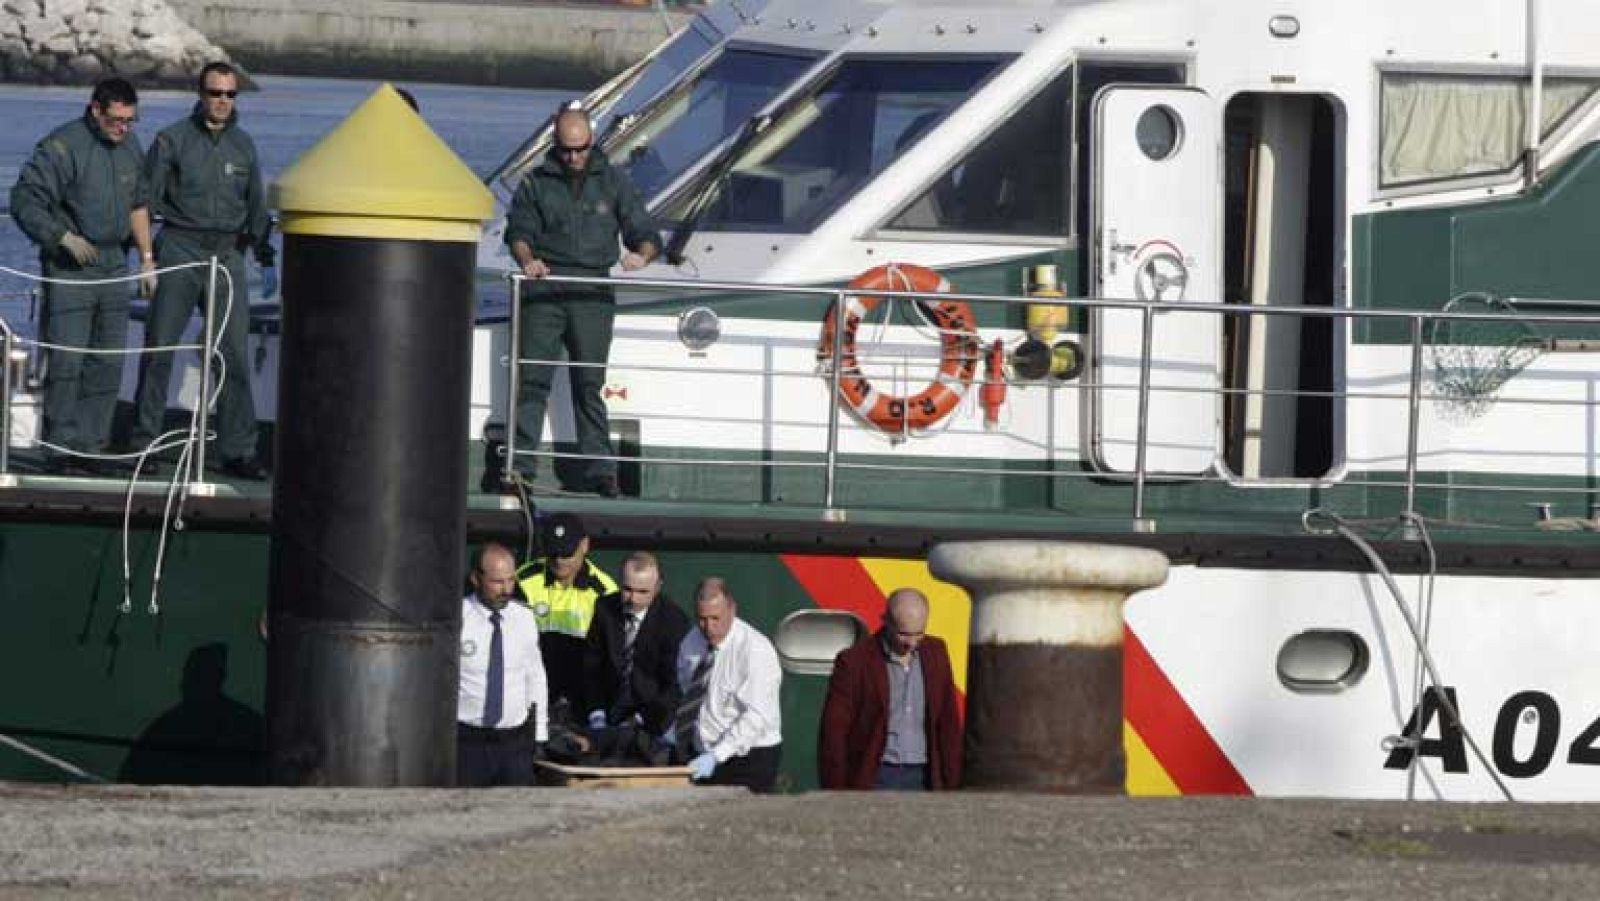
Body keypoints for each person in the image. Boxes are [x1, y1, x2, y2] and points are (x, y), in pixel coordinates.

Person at [503, 99, 662, 498]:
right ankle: (520, 467)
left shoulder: (614, 181)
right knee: (533, 380)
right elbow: (518, 230)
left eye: (581, 148)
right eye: (566, 149)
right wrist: (528, 260)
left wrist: (641, 255)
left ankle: (599, 471)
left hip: (593, 290)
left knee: (589, 384)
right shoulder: (535, 182)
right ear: (555, 145)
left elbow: (643, 228)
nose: (574, 157)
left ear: (592, 141)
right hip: (546, 288)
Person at [130, 61, 275, 480]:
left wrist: (263, 256)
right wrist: (145, 258)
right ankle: (145, 442)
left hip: (226, 255)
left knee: (231, 356)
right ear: (201, 94)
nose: (223, 102)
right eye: (215, 93)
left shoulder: (244, 146)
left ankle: (238, 450)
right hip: (179, 246)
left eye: (230, 94)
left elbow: (255, 208)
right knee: (160, 347)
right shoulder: (171, 140)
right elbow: (144, 199)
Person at [9, 77, 156, 476]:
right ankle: (59, 446)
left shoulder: (130, 148)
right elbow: (24, 198)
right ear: (95, 110)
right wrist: (60, 236)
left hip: (114, 265)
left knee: (107, 360)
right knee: (67, 358)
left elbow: (139, 203)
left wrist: (146, 258)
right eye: (115, 120)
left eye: (130, 121)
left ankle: (92, 445)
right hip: (72, 265)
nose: (123, 128)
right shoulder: (63, 146)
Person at [818, 587, 963, 791]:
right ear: (885, 621)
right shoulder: (854, 661)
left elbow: (948, 722)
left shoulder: (936, 653)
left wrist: (953, 781)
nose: (911, 643)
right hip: (877, 774)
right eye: (903, 634)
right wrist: (835, 790)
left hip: (925, 776)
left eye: (919, 634)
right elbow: (834, 732)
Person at [673, 576, 783, 792]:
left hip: (749, 758)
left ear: (732, 610)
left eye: (716, 618)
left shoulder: (754, 651)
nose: (709, 628)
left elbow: (756, 717)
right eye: (702, 619)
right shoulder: (692, 642)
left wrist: (717, 755)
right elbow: (688, 694)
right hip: (703, 753)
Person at [458, 542, 548, 787]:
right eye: (497, 582)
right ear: (476, 579)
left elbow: (535, 676)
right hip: (468, 743)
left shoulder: (524, 618)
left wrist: (540, 734)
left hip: (514, 744)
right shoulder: (459, 618)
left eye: (511, 580)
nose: (507, 589)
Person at [516, 511, 617, 721]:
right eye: (553, 554)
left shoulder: (604, 591)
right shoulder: (523, 580)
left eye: (567, 553)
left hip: (582, 693)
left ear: (585, 546)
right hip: (529, 688)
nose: (560, 561)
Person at [583, 551, 691, 742]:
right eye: (627, 589)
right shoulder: (605, 610)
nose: (633, 598)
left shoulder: (673, 621)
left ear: (657, 588)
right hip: (609, 713)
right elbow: (592, 667)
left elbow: (674, 684)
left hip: (653, 718)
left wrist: (641, 720)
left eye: (643, 592)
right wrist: (597, 715)